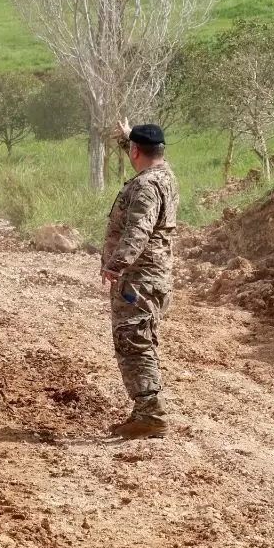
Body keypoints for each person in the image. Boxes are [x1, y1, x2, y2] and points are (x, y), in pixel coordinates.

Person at [101, 119, 179, 439]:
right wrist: (127, 137)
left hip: (139, 279)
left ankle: (150, 414)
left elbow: (138, 231)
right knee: (140, 339)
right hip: (153, 277)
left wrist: (116, 265)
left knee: (133, 342)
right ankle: (145, 410)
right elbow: (143, 152)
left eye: (130, 147)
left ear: (136, 151)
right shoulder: (164, 174)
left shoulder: (146, 186)